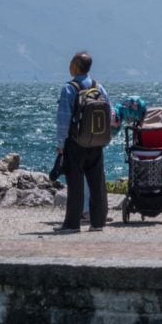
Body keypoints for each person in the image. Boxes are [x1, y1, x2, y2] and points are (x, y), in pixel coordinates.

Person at [54, 51, 116, 234]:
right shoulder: (99, 87)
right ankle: (98, 223)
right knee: (97, 183)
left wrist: (60, 144)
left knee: (75, 184)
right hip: (97, 142)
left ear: (75, 65)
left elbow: (63, 119)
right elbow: (110, 114)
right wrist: (106, 137)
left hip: (76, 143)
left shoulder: (69, 88)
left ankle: (72, 224)